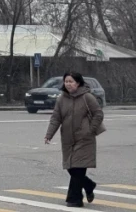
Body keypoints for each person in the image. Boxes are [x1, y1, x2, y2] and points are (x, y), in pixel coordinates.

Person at [44, 71, 104, 207]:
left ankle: (74, 199)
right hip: (67, 139)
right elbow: (56, 118)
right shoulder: (61, 99)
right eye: (66, 81)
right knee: (71, 167)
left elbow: (98, 114)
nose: (68, 84)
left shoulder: (87, 97)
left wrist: (90, 130)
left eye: (71, 81)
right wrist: (49, 134)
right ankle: (89, 185)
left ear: (78, 83)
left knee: (78, 168)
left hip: (84, 139)